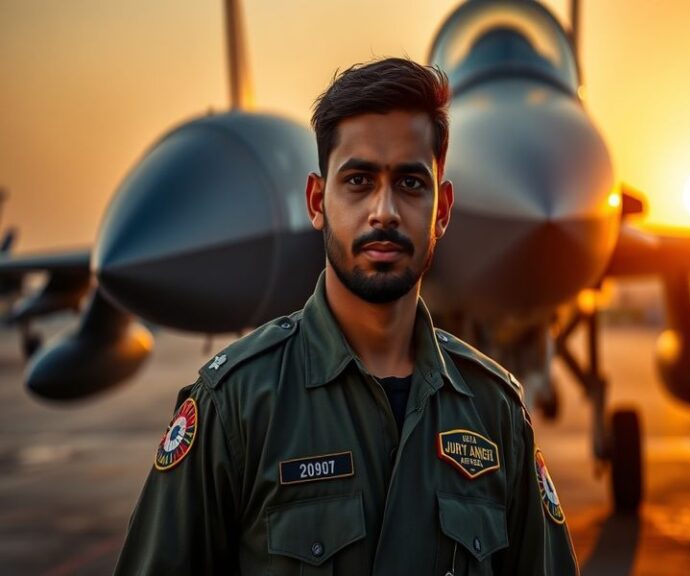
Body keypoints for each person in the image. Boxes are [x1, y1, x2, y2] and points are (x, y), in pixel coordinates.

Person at [114, 57, 579, 575]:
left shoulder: (495, 414)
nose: (384, 211)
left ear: (442, 210)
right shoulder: (238, 408)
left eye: (410, 183)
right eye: (358, 181)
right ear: (317, 200)